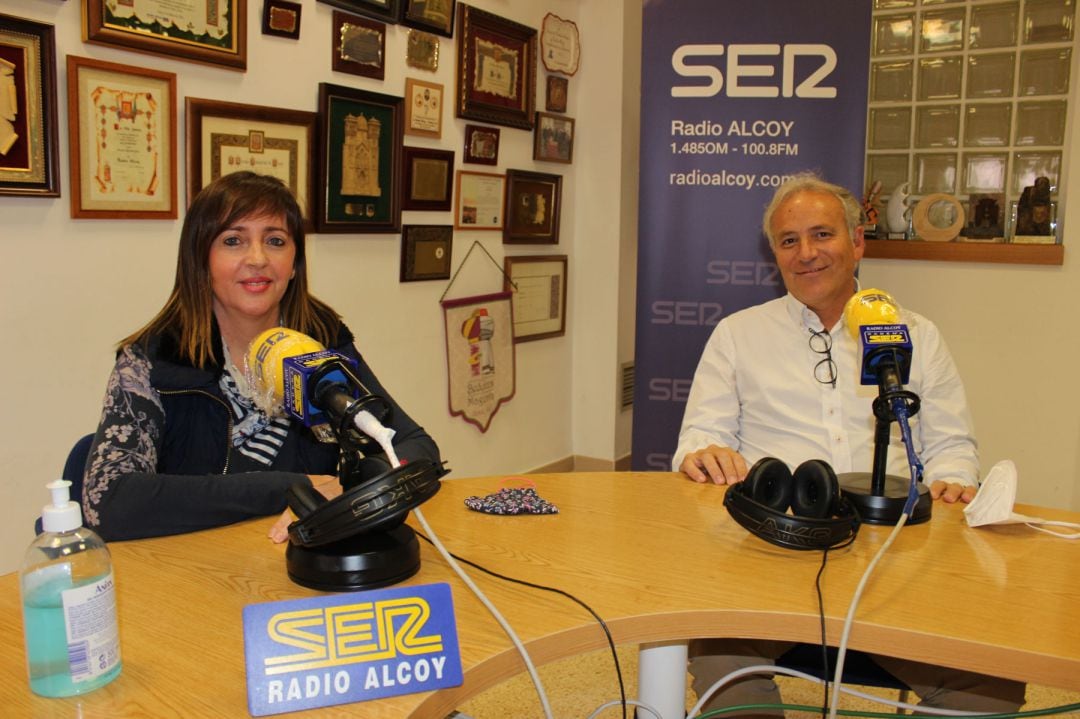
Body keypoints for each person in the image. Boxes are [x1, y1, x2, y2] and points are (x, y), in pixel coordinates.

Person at [674, 172, 1025, 714]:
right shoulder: (737, 334)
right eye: (789, 241)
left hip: (894, 560)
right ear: (774, 255)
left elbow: (952, 445)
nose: (806, 253)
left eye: (822, 234)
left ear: (857, 242)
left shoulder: (916, 334)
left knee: (993, 682)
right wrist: (702, 453)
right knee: (721, 661)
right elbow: (700, 436)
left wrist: (954, 480)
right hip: (772, 555)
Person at [82, 172, 442, 543]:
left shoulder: (321, 339)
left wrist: (351, 493)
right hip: (189, 568)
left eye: (275, 241)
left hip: (288, 568)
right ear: (199, 257)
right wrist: (295, 489)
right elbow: (108, 502)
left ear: (295, 260)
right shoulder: (153, 359)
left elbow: (414, 446)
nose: (257, 259)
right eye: (233, 241)